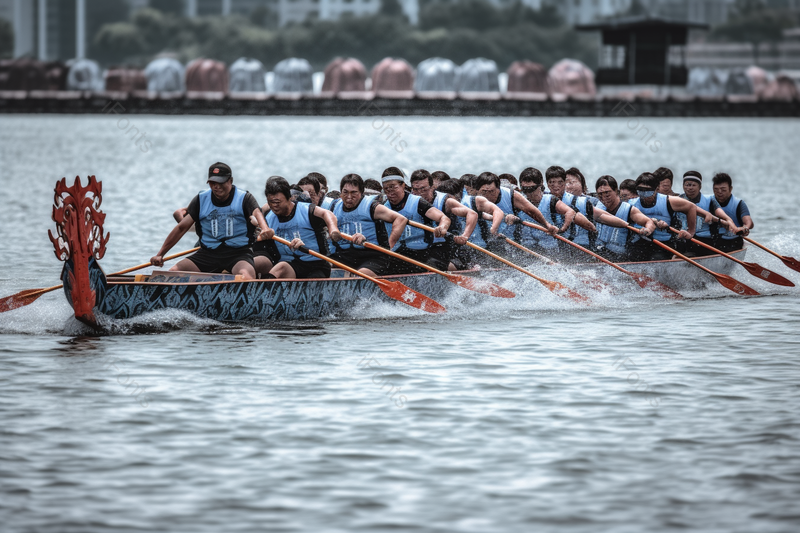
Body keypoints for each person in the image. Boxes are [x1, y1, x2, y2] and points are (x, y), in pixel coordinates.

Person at [151, 162, 271, 280]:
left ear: (230, 181)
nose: (216, 186)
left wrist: (265, 228)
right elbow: (181, 228)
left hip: (238, 254)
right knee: (173, 272)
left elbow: (257, 213)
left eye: (220, 182)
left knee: (246, 276)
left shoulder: (244, 198)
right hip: (208, 253)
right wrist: (160, 254)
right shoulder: (201, 199)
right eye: (213, 183)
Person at [329, 173, 407, 276]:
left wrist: (391, 244)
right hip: (345, 254)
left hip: (373, 256)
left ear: (361, 192)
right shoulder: (334, 206)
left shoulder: (372, 207)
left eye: (354, 193)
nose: (349, 197)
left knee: (362, 274)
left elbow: (401, 219)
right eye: (345, 192)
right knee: (322, 265)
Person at [264, 176, 340, 279]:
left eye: (277, 202)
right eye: (270, 202)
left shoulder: (307, 210)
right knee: (281, 267)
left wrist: (333, 230)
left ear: (289, 197)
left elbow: (327, 214)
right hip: (290, 266)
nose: (274, 206)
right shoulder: (268, 217)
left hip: (315, 265)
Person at [381, 167, 451, 272]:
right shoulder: (383, 207)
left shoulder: (418, 202)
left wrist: (442, 227)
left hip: (426, 251)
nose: (390, 193)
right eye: (386, 189)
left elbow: (444, 218)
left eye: (393, 187)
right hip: (401, 251)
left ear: (403, 185)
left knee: (431, 267)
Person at [473, 171, 558, 255]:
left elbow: (531, 210)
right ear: (477, 190)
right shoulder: (472, 199)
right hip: (483, 240)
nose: (488, 195)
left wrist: (547, 225)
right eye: (484, 192)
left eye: (492, 191)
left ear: (498, 189)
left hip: (510, 241)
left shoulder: (510, 194)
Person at [517, 168, 592, 259]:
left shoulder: (551, 201)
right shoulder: (518, 202)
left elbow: (570, 212)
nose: (529, 193)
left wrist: (562, 230)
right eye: (525, 189)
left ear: (540, 185)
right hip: (528, 249)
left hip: (551, 249)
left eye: (532, 189)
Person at [410, 169, 478, 271]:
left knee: (431, 264)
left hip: (449, 248)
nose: (420, 194)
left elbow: (472, 214)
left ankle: (462, 268)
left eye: (423, 189)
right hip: (423, 248)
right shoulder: (409, 200)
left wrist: (465, 236)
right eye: (416, 190)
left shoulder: (446, 201)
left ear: (432, 187)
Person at [628, 172, 696, 261]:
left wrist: (691, 232)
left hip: (663, 242)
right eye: (640, 191)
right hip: (640, 241)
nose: (644, 196)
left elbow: (691, 207)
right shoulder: (631, 203)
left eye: (648, 192)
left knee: (657, 258)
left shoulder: (668, 201)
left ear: (656, 189)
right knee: (632, 255)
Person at [593, 175, 657, 262]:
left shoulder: (629, 210)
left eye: (607, 193)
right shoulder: (596, 208)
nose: (604, 198)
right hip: (599, 251)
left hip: (619, 256)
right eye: (600, 194)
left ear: (616, 191)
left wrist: (647, 230)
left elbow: (649, 222)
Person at [677, 171, 736, 257]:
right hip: (683, 238)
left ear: (700, 187)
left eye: (693, 185)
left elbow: (720, 212)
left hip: (705, 240)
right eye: (687, 185)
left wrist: (729, 221)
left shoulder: (710, 199)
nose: (690, 188)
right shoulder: (677, 200)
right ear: (683, 186)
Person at [712, 172, 753, 252]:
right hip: (713, 240)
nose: (719, 192)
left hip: (732, 241)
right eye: (716, 189)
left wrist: (745, 228)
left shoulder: (739, 204)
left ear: (730, 189)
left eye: (723, 190)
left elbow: (748, 222)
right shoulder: (709, 201)